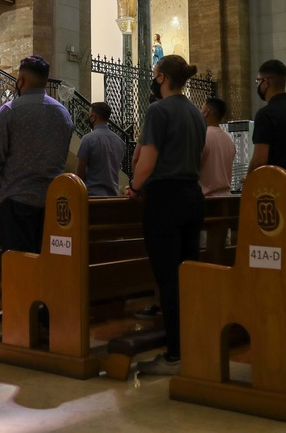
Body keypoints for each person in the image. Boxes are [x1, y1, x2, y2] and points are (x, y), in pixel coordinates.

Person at [127, 55, 207, 376]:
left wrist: (133, 187)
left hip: (165, 199)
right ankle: (191, 347)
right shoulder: (196, 114)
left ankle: (175, 355)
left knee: (168, 278)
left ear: (160, 77)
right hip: (192, 196)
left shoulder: (157, 111)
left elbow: (146, 163)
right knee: (187, 275)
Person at [0, 55, 73, 253]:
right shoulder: (62, 114)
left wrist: (5, 192)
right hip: (54, 204)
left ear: (21, 80)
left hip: (17, 202)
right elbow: (63, 155)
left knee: (19, 269)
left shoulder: (9, 111)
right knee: (49, 266)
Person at [248, 59, 286, 188]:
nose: (258, 85)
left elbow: (259, 161)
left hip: (273, 191)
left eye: (258, 81)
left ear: (266, 82)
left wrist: (249, 183)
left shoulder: (266, 114)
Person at [76, 102, 126, 196]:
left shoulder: (88, 139)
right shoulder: (120, 142)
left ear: (93, 117)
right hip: (114, 195)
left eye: (89, 116)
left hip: (93, 195)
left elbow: (80, 172)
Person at [198, 97, 236, 196]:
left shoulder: (203, 136)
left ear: (206, 112)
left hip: (208, 200)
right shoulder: (229, 140)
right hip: (226, 197)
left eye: (201, 109)